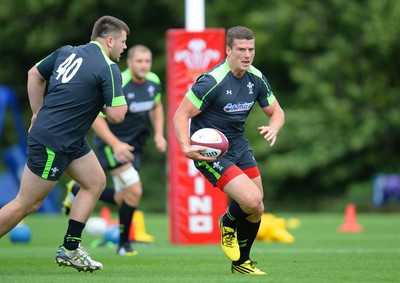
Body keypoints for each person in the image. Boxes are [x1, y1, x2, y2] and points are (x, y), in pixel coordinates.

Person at [0, 16, 130, 272]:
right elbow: (117, 115)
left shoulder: (67, 52)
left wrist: (37, 112)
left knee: (95, 182)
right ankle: (69, 249)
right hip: (54, 142)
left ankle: (70, 248)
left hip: (68, 138)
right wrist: (107, 104)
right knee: (27, 204)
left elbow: (34, 74)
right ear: (111, 40)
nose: (125, 47)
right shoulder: (108, 67)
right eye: (124, 42)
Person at [173, 26, 285, 275]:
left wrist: (274, 128)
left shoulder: (255, 77)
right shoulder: (212, 81)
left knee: (257, 209)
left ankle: (241, 263)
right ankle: (228, 222)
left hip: (239, 145)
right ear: (228, 50)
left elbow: (277, 112)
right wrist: (185, 147)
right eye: (241, 50)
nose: (247, 55)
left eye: (251, 49)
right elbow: (181, 115)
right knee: (251, 200)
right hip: (210, 151)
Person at [62, 44, 167, 256]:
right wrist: (115, 144)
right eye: (139, 61)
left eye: (147, 61)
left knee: (124, 197)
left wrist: (158, 134)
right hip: (112, 143)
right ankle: (124, 244)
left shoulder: (153, 82)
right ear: (129, 62)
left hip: (134, 144)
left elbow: (156, 107)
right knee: (135, 190)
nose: (144, 65)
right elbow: (96, 118)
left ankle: (76, 190)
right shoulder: (120, 82)